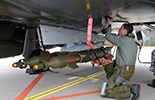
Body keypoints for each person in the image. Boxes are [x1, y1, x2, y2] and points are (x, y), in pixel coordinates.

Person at [101, 18, 141, 100]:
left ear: (125, 31)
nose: (119, 29)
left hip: (122, 71)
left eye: (121, 28)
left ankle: (131, 88)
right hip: (126, 70)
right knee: (108, 66)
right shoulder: (130, 41)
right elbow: (125, 56)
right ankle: (115, 84)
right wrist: (114, 61)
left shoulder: (123, 40)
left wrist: (109, 25)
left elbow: (108, 36)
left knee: (107, 92)